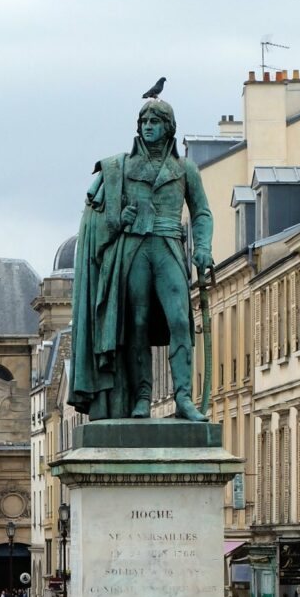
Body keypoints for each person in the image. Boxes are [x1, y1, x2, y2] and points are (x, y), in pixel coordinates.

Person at [68, 98, 213, 422]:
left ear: (168, 127)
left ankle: (184, 399)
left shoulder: (185, 168)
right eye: (144, 121)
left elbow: (201, 211)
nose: (148, 126)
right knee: (137, 326)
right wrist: (120, 217)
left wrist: (203, 247)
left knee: (179, 322)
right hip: (134, 249)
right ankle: (143, 397)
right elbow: (100, 215)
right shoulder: (122, 167)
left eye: (155, 121)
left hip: (168, 246)